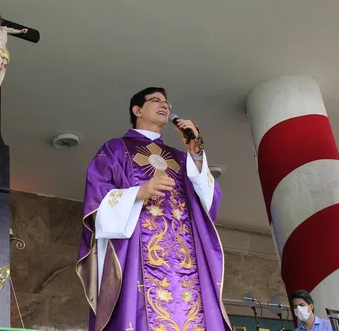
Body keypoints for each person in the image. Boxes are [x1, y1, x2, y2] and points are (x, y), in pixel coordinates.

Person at [76, 87, 231, 331]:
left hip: (184, 261)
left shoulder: (182, 157)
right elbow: (96, 200)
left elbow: (208, 201)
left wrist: (196, 151)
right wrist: (139, 193)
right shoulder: (115, 149)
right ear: (137, 110)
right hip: (139, 255)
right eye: (156, 100)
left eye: (167, 103)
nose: (165, 106)